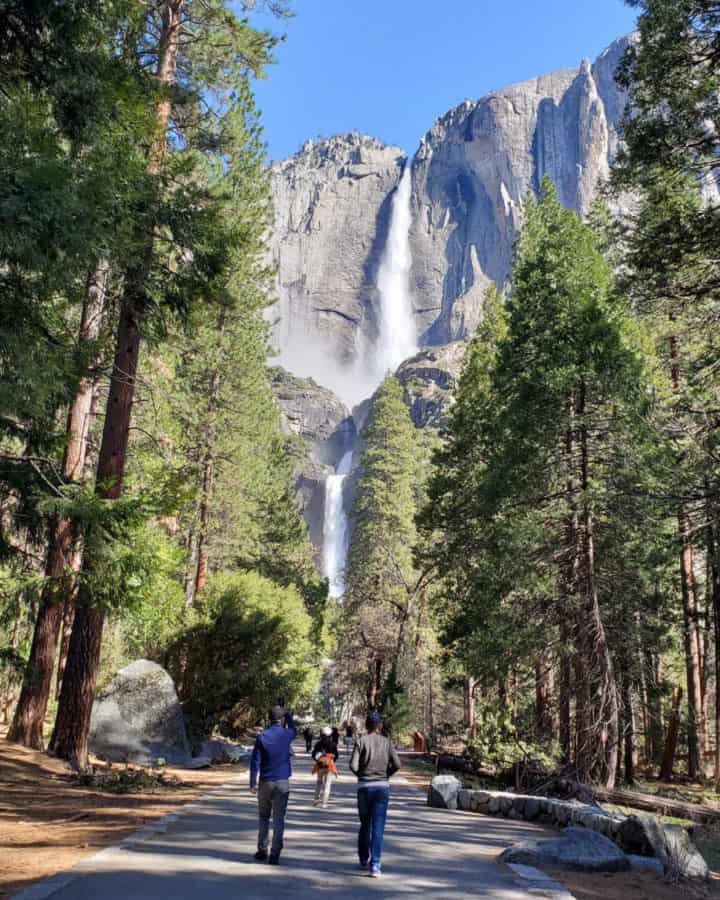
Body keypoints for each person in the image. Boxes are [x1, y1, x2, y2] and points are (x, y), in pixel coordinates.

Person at [349, 711, 401, 878]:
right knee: (378, 827)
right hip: (381, 788)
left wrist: (361, 776)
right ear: (379, 726)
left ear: (367, 725)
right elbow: (397, 764)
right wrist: (386, 775)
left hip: (364, 787)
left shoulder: (361, 741)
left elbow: (353, 765)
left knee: (365, 824)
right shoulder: (387, 742)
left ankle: (363, 858)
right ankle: (375, 865)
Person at [250, 704, 297, 865]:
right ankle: (275, 854)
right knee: (279, 819)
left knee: (264, 816)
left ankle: (262, 850)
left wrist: (252, 783)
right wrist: (288, 713)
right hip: (283, 782)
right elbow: (293, 728)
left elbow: (255, 761)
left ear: (269, 719)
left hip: (265, 782)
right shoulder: (287, 734)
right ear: (281, 719)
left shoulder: (262, 736)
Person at [311, 726, 339, 808]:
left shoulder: (318, 744)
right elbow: (336, 756)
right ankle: (324, 803)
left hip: (320, 765)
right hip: (329, 766)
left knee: (319, 782)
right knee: (327, 784)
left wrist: (318, 760)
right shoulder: (333, 744)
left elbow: (313, 755)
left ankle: (316, 800)